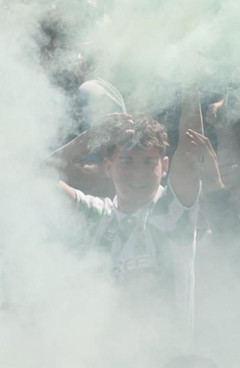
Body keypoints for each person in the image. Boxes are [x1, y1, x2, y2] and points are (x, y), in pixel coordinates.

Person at [50, 110, 216, 317]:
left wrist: (190, 85)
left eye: (148, 162)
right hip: (100, 347)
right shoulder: (97, 215)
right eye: (127, 161)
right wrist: (88, 139)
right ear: (108, 166)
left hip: (171, 349)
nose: (138, 172)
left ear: (164, 166)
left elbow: (191, 148)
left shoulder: (174, 212)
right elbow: (35, 177)